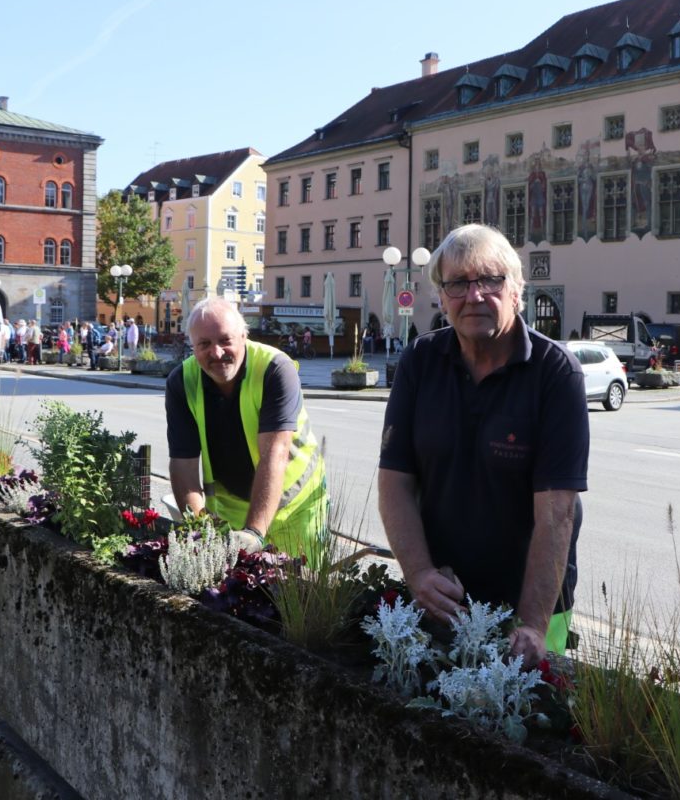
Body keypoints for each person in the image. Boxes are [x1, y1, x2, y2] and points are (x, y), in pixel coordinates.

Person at [378, 224, 590, 669]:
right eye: (457, 283)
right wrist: (418, 574)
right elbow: (395, 481)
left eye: (490, 280)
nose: (474, 295)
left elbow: (556, 513)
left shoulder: (556, 373)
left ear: (517, 291)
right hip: (442, 595)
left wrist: (531, 623)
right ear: (440, 296)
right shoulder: (419, 360)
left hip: (532, 603)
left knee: (529, 725)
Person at [165, 298, 327, 557]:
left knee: (302, 591)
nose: (216, 353)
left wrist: (254, 532)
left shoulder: (275, 368)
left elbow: (275, 453)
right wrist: (198, 530)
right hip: (231, 509)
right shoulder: (181, 382)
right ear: (192, 346)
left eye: (225, 340)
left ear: (244, 336)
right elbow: (183, 463)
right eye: (204, 344)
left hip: (297, 508)